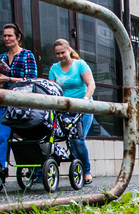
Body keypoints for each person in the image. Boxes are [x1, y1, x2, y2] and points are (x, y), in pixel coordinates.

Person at [49, 39, 96, 184]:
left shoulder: (79, 64)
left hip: (83, 108)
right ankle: (78, 168)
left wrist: (85, 99)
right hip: (64, 109)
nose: (60, 56)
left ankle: (86, 171)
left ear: (69, 50)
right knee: (69, 140)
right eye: (57, 54)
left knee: (78, 140)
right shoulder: (54, 69)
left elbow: (91, 84)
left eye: (62, 52)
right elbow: (51, 89)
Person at [0, 23, 37, 169]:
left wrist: (8, 79)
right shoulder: (2, 57)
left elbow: (31, 79)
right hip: (6, 103)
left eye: (10, 36)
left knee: (28, 138)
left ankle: (35, 170)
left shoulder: (27, 55)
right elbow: (0, 78)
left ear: (18, 37)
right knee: (4, 138)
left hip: (23, 104)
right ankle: (0, 170)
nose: (7, 38)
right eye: (4, 36)